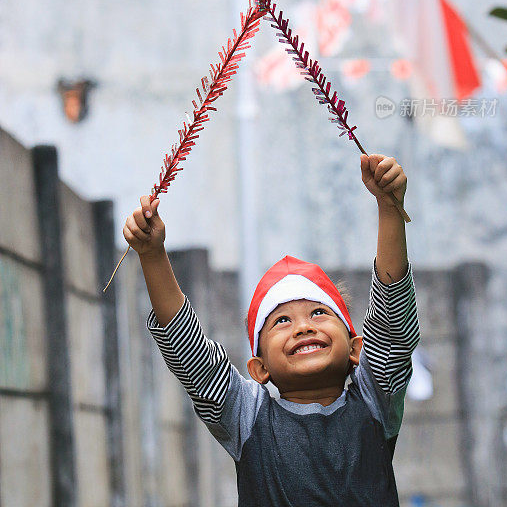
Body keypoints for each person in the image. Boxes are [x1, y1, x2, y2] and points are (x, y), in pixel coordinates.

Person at [123, 153, 419, 506]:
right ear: (259, 368)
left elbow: (392, 325)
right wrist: (152, 255)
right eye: (281, 321)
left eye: (320, 313)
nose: (304, 327)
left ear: (357, 349)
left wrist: (389, 207)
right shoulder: (247, 418)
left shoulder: (375, 401)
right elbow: (192, 357)